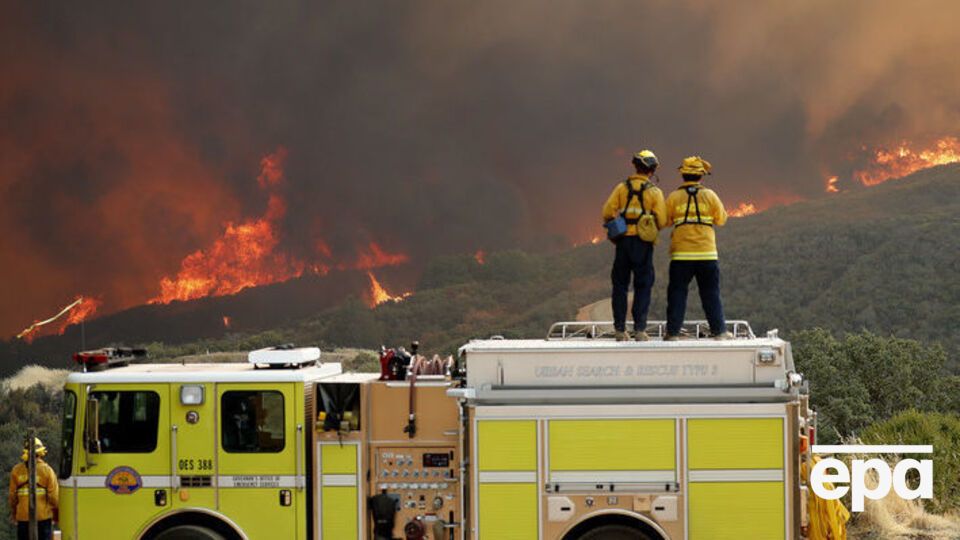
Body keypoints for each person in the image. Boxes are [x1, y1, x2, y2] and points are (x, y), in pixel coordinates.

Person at [664, 156, 732, 340]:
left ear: (683, 175)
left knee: (677, 294)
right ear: (701, 176)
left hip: (681, 255)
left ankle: (672, 333)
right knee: (711, 294)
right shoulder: (710, 195)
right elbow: (721, 219)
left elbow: (664, 221)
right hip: (707, 254)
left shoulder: (674, 197)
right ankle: (719, 332)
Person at [601, 150, 667, 341]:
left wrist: (618, 225)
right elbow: (661, 220)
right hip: (643, 244)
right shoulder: (654, 192)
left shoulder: (621, 188)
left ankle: (620, 330)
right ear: (652, 170)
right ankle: (639, 330)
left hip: (623, 243)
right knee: (643, 285)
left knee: (620, 285)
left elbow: (607, 212)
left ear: (635, 166)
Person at [8, 438, 58, 540]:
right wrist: (56, 515)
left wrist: (14, 514)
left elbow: (12, 498)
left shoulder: (16, 471)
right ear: (41, 453)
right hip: (43, 518)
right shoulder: (47, 471)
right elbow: (54, 498)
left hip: (23, 518)